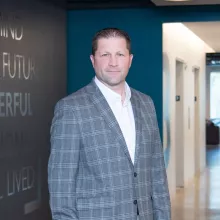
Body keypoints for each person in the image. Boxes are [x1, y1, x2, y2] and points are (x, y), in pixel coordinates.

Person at [48, 27, 171, 220]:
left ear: (130, 59)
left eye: (120, 54)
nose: (113, 62)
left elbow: (157, 174)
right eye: (105, 54)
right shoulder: (71, 108)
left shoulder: (146, 103)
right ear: (93, 60)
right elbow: (61, 187)